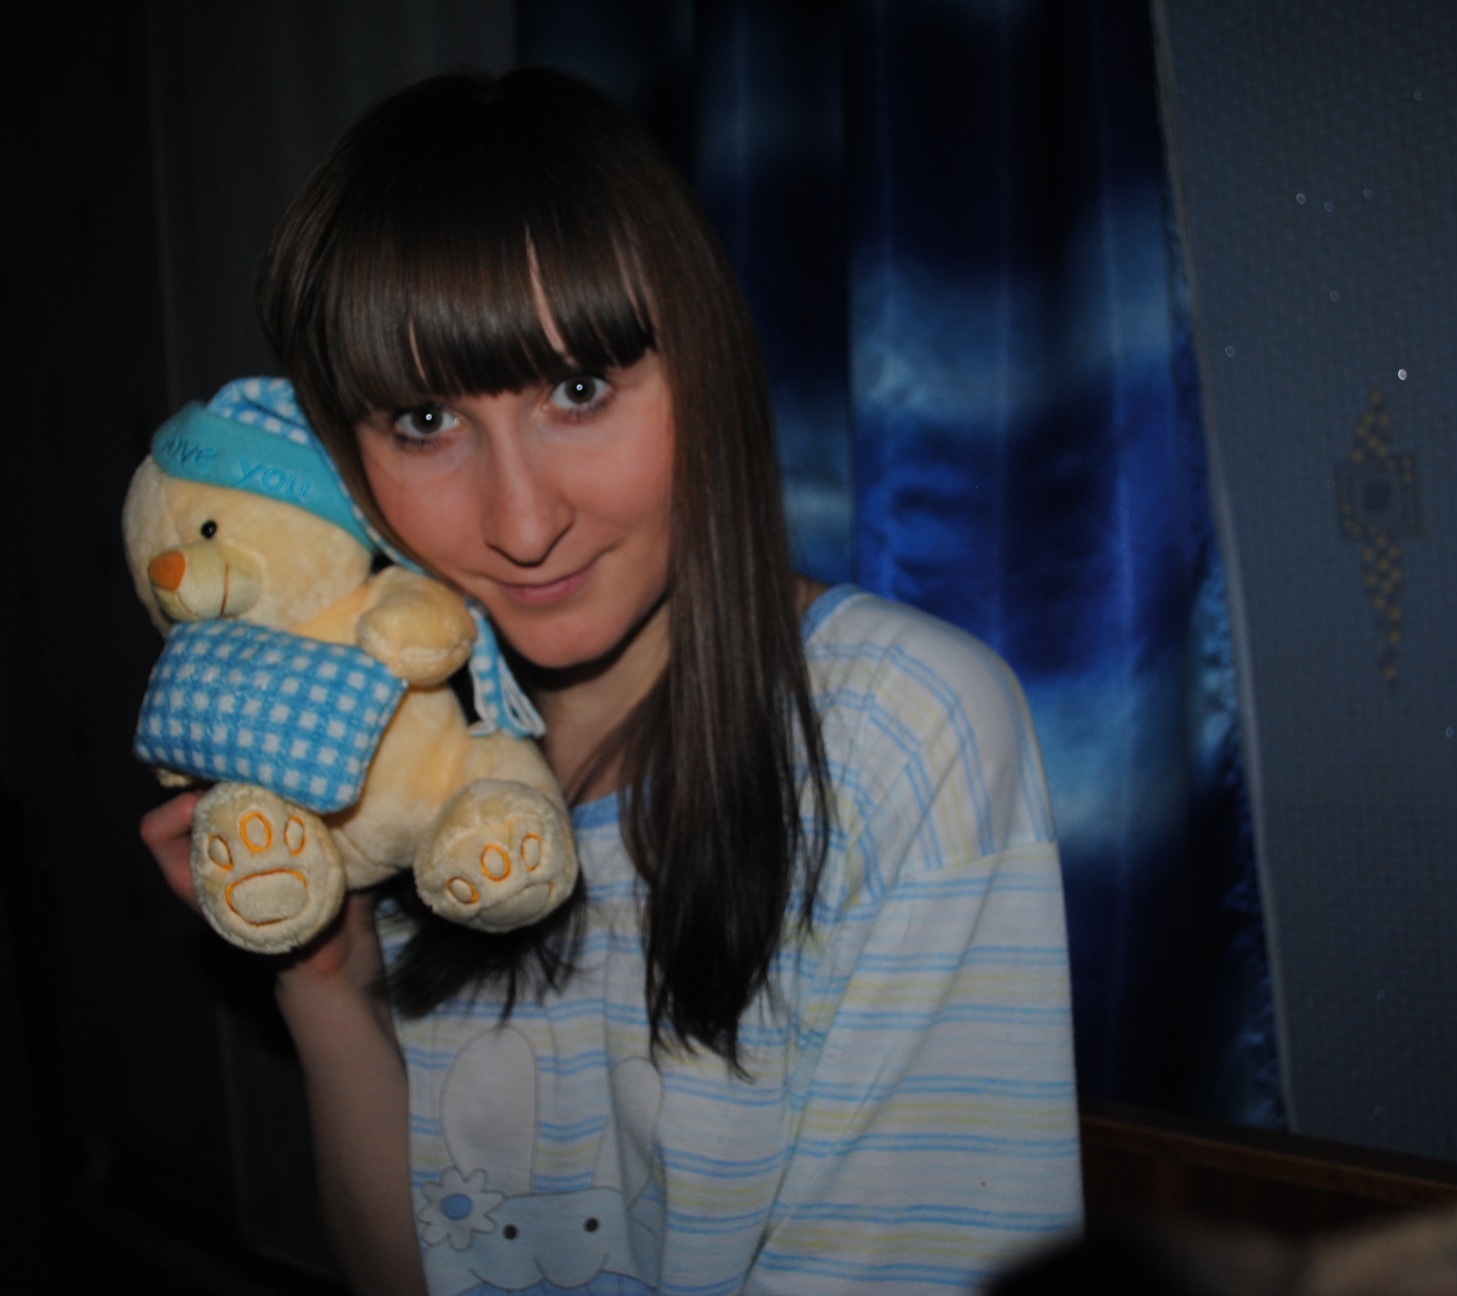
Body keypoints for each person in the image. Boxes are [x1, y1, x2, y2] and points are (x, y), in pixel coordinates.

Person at [143, 68, 1080, 1295]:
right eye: (423, 421)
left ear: (703, 365)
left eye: (579, 391)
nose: (523, 523)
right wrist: (324, 983)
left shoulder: (899, 730)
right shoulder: (402, 769)